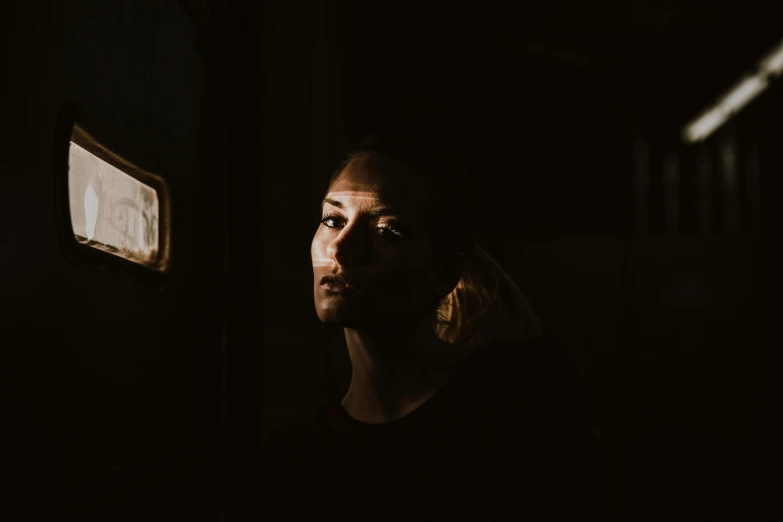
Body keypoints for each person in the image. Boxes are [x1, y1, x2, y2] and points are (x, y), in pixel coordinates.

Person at [262, 135, 608, 521]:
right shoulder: (300, 459)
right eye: (333, 220)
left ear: (444, 272)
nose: (341, 249)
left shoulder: (521, 396)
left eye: (387, 231)